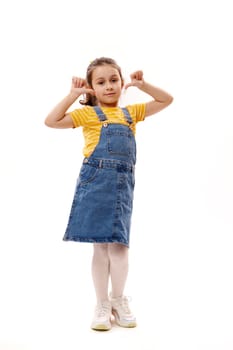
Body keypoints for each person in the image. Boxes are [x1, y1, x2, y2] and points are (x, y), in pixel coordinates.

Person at [44, 57, 173, 331]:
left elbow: (166, 100)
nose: (109, 86)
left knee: (120, 247)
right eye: (100, 82)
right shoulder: (87, 115)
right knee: (100, 248)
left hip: (121, 184)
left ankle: (118, 299)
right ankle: (101, 303)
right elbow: (51, 121)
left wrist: (142, 84)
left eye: (114, 80)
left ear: (121, 80)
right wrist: (72, 95)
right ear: (91, 88)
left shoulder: (131, 113)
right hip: (95, 183)